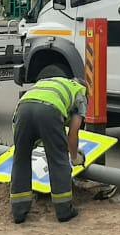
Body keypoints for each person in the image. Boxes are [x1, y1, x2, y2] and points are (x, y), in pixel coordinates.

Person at [10, 75, 88, 224]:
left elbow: (16, 125)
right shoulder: (81, 92)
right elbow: (73, 133)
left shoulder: (49, 82)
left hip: (23, 109)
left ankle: (19, 211)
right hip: (50, 111)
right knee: (58, 159)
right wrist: (75, 158)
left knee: (21, 159)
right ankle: (64, 210)